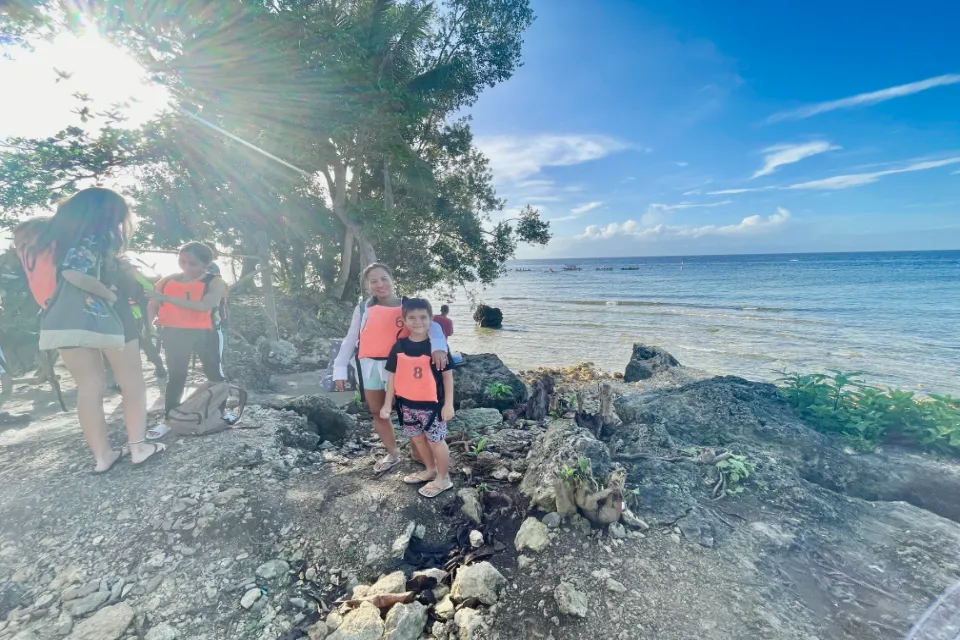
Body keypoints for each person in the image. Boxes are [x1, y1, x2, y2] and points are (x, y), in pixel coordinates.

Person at [15, 187, 164, 472]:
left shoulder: (44, 240)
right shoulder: (95, 235)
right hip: (107, 313)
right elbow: (75, 272)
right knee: (131, 380)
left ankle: (102, 456)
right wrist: (109, 295)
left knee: (88, 386)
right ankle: (139, 447)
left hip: (61, 316)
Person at [333, 263, 448, 474]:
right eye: (373, 281)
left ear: (392, 279)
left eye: (384, 278)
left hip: (404, 366)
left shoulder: (407, 305)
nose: (380, 284)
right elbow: (351, 338)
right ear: (367, 285)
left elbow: (433, 326)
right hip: (370, 367)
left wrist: (439, 348)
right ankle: (393, 453)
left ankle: (419, 454)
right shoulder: (362, 308)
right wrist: (339, 367)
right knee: (378, 412)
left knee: (413, 411)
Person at [144, 242, 228, 439]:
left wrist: (167, 298)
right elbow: (152, 305)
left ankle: (218, 413)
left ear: (206, 264)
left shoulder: (215, 282)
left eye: (193, 264)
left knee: (214, 374)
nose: (187, 267)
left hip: (205, 332)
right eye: (183, 261)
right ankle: (169, 419)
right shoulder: (166, 281)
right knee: (176, 376)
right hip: (174, 333)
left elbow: (203, 306)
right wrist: (149, 327)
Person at [381, 298, 454, 498]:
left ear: (431, 319)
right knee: (418, 439)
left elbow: (447, 377)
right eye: (412, 317)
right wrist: (388, 404)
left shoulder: (437, 348)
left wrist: (448, 404)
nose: (418, 322)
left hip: (433, 406)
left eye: (423, 317)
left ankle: (444, 478)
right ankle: (430, 470)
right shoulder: (399, 346)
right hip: (407, 405)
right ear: (404, 320)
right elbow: (392, 377)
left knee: (437, 441)